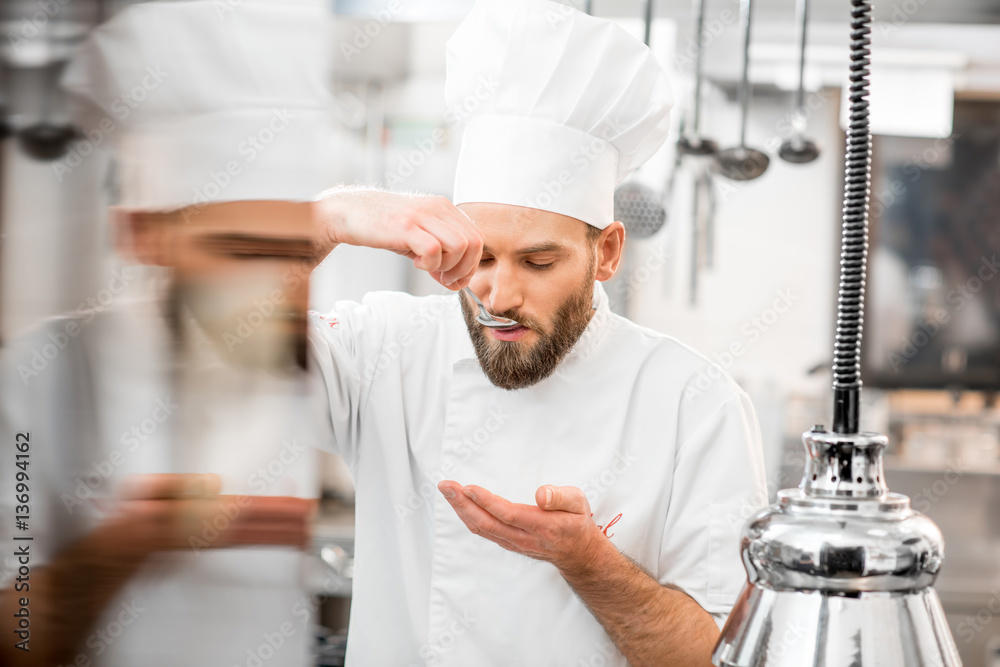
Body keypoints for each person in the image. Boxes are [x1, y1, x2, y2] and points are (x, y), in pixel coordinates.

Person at [306, 1, 768, 665]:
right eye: (481, 256)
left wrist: (589, 563)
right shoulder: (385, 349)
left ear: (607, 252)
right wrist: (326, 219)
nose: (499, 294)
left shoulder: (696, 403)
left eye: (539, 261)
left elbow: (720, 657)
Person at [0, 2, 333, 665]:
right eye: (241, 250)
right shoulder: (44, 374)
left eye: (299, 252)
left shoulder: (330, 364)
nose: (280, 286)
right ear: (146, 235)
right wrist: (130, 541)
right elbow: (19, 634)